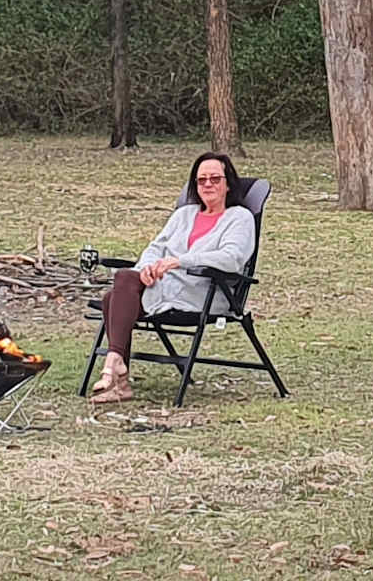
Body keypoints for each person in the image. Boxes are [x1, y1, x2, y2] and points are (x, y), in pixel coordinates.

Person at [88, 151, 254, 406]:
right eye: (201, 180)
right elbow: (156, 248)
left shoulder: (239, 218)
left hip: (204, 291)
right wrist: (145, 268)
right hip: (163, 287)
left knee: (115, 296)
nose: (208, 184)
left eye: (215, 179)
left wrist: (180, 261)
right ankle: (117, 368)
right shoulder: (184, 214)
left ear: (228, 183)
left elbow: (231, 259)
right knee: (123, 282)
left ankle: (115, 369)